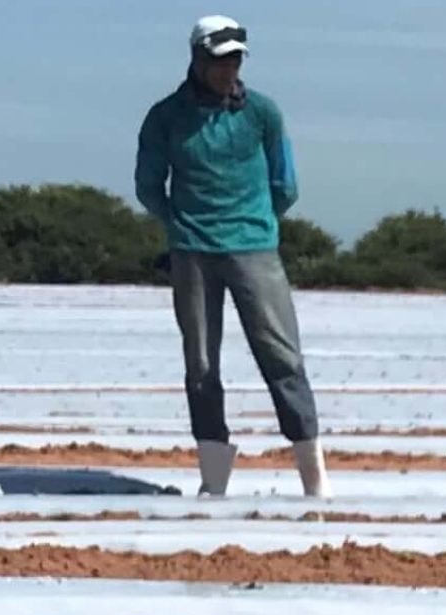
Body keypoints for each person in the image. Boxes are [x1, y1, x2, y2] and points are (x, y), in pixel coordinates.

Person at [136, 14, 326, 498]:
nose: (229, 70)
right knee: (201, 363)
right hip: (192, 252)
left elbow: (286, 184)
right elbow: (148, 185)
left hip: (255, 249)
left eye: (236, 61)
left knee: (281, 356)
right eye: (221, 61)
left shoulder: (263, 113)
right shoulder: (165, 117)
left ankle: (314, 479)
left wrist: (257, 222)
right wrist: (180, 224)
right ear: (198, 59)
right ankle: (213, 479)